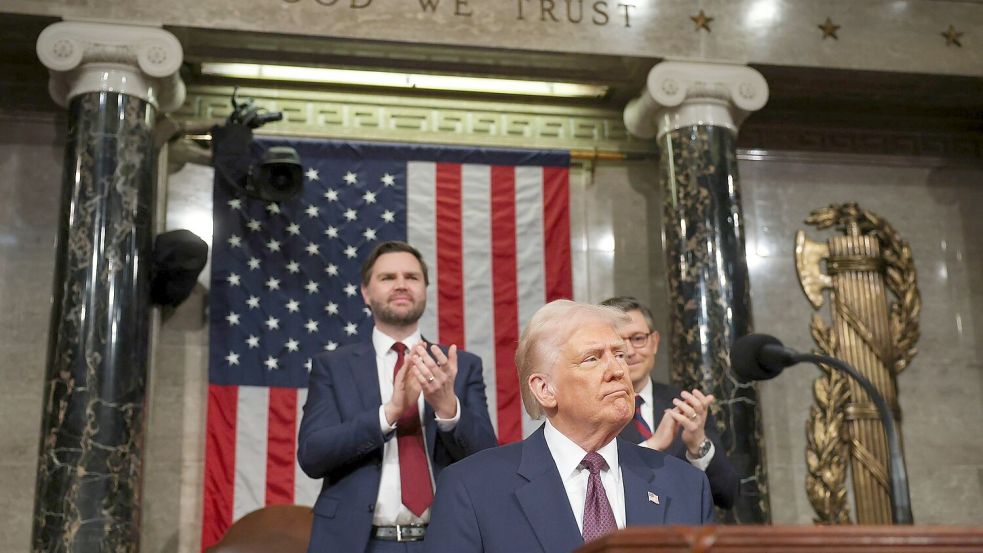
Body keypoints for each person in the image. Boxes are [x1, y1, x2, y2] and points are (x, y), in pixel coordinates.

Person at [424, 300, 713, 553]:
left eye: (619, 355)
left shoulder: (686, 485)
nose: (617, 371)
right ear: (545, 389)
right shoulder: (472, 488)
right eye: (592, 358)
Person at [297, 241, 498, 552]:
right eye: (388, 277)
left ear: (425, 289)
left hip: (445, 541)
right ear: (366, 293)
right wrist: (389, 412)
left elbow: (488, 460)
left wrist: (448, 409)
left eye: (412, 277)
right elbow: (313, 455)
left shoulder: (460, 366)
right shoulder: (332, 367)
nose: (401, 285)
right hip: (358, 543)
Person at [600, 296, 739, 510]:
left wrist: (698, 445)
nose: (629, 351)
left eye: (638, 338)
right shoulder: (590, 411)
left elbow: (727, 495)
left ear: (654, 342)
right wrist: (652, 445)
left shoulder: (686, 405)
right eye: (619, 343)